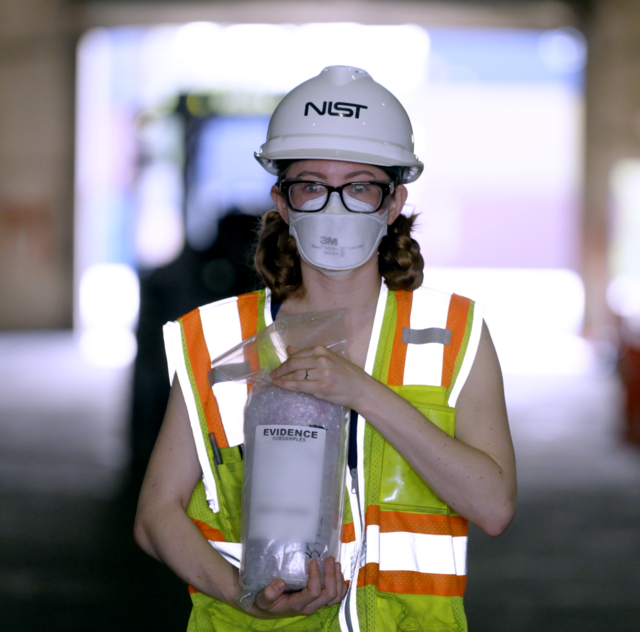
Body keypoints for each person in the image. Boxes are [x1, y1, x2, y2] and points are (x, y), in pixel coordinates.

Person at [134, 65, 516, 631]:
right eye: (312, 185)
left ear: (392, 202)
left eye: (359, 185)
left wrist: (361, 391)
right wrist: (240, 595)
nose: (334, 206)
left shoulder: (453, 333)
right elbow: (154, 518)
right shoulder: (218, 339)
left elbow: (494, 506)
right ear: (283, 202)